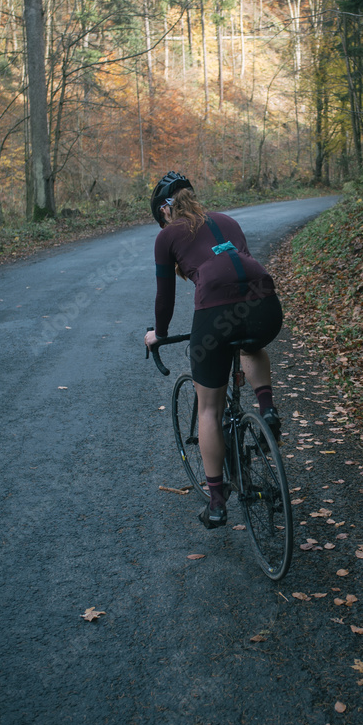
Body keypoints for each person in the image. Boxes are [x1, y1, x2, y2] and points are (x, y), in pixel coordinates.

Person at [144, 172, 283, 531]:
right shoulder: (228, 221)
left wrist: (158, 335)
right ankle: (267, 410)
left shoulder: (167, 235)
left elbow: (165, 297)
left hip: (216, 313)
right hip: (265, 305)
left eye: (161, 218)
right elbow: (241, 271)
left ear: (164, 210)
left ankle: (218, 502)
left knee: (208, 407)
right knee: (249, 345)